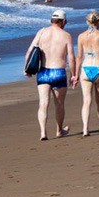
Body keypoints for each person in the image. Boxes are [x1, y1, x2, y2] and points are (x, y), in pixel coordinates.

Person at [25, 9, 76, 141]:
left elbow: (30, 51)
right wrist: (73, 74)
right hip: (59, 72)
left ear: (51, 20)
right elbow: (72, 58)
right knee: (59, 104)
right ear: (63, 21)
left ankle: (43, 132)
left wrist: (26, 69)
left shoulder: (42, 32)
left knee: (43, 103)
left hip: (43, 72)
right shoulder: (66, 35)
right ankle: (59, 130)